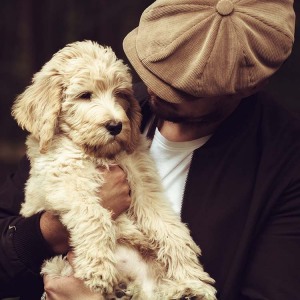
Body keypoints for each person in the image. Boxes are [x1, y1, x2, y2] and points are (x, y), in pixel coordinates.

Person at [0, 0, 299, 299]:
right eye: (154, 68)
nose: (154, 88)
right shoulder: (87, 125)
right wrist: (48, 232)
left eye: (182, 87)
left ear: (246, 86)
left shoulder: (285, 167)